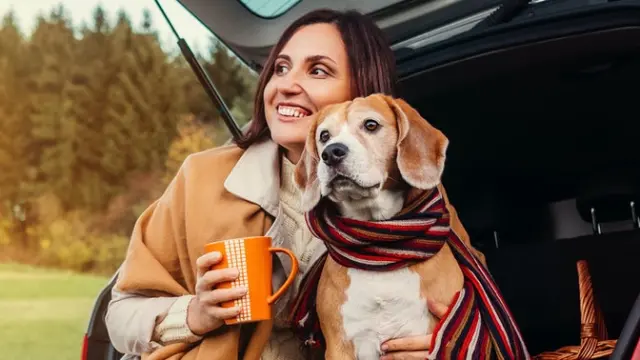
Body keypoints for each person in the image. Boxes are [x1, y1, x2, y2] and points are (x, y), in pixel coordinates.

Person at [105, 8, 483, 360]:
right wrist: (195, 313)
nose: (287, 85)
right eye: (280, 68)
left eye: (318, 71)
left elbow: (469, 297)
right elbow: (120, 314)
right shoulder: (201, 178)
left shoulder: (417, 200)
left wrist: (443, 342)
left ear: (359, 92)